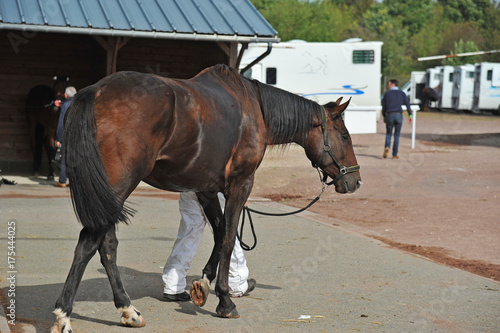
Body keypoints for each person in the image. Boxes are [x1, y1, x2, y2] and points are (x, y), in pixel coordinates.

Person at [162, 192, 256, 301]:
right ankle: (237, 283)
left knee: (189, 231)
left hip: (188, 184)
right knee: (227, 230)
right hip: (216, 186)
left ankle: (173, 284)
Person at [381, 79, 412, 159]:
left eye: (389, 84)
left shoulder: (387, 94)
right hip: (398, 115)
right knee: (397, 135)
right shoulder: (402, 93)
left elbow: (384, 107)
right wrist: (410, 115)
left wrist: (384, 116)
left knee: (389, 133)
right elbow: (407, 104)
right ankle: (394, 154)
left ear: (392, 84)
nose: (388, 86)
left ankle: (387, 146)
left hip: (389, 115)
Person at [54, 86, 77, 188]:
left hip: (67, 136)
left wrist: (59, 138)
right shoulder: (79, 103)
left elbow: (61, 123)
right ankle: (74, 181)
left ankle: (62, 180)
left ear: (65, 95)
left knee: (64, 159)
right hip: (78, 136)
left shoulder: (65, 105)